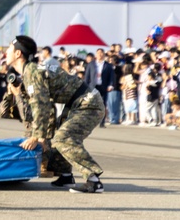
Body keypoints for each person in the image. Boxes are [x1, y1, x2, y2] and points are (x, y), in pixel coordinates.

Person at [7, 35, 106, 194]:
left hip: (89, 103)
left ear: (18, 54)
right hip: (77, 102)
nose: (6, 53)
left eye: (9, 50)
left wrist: (36, 136)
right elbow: (47, 107)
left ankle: (93, 181)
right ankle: (65, 175)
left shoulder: (31, 72)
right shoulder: (30, 71)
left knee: (63, 138)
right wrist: (43, 136)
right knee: (56, 136)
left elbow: (41, 105)